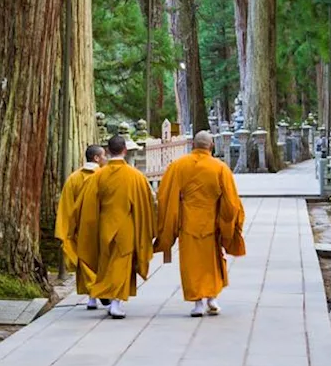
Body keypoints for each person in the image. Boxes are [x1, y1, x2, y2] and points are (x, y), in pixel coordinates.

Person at [155, 131, 246, 317]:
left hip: (187, 223)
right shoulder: (220, 167)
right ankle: (212, 298)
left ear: (192, 146)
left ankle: (197, 303)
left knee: (191, 263)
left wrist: (170, 221)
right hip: (212, 223)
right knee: (212, 262)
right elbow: (231, 201)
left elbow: (164, 196)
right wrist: (227, 223)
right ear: (211, 146)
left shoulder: (178, 166)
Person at [70, 134, 156, 319]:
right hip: (126, 229)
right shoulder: (136, 176)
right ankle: (115, 303)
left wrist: (83, 229)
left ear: (108, 151)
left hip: (104, 227)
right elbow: (146, 205)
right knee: (121, 266)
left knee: (106, 264)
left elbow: (86, 206)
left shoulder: (97, 176)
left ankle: (100, 295)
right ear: (125, 150)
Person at [56, 144, 107, 309]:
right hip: (99, 226)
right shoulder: (103, 176)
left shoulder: (73, 178)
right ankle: (102, 292)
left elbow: (66, 206)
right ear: (97, 158)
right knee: (102, 262)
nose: (106, 159)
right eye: (103, 156)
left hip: (79, 228)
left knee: (84, 262)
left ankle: (91, 298)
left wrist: (67, 229)